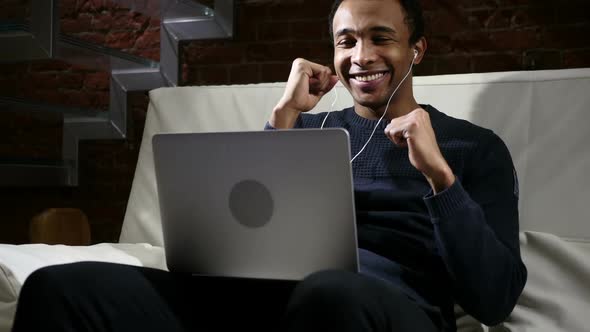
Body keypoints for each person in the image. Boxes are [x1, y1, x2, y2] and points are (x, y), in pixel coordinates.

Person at [11, 1, 527, 331]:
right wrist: (282, 117)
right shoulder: (306, 130)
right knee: (59, 289)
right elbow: (239, 235)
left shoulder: (471, 148)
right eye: (346, 41)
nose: (360, 54)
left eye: (380, 37)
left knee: (327, 292)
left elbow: (495, 298)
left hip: (386, 311)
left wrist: (440, 178)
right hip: (262, 306)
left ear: (417, 49)